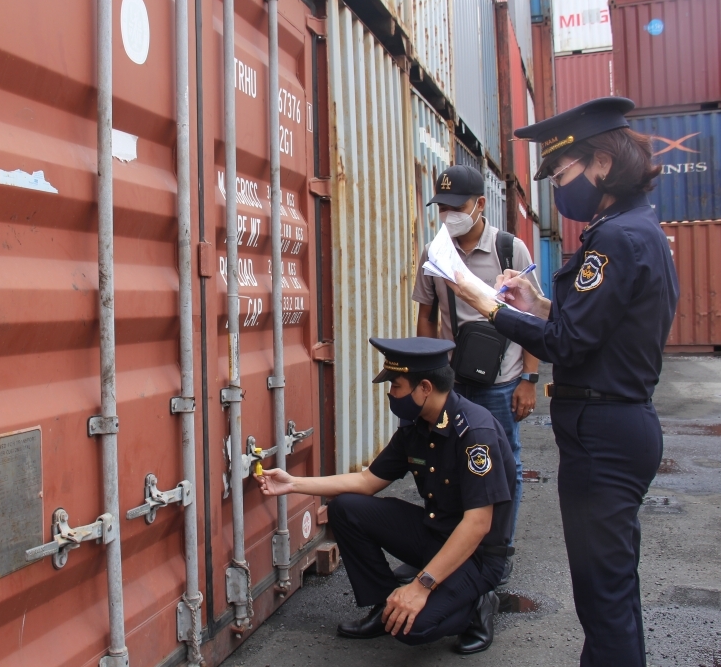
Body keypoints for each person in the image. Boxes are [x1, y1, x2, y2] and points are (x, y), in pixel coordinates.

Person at [446, 97, 678, 667]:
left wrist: (486, 305)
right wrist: (541, 304)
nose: (555, 187)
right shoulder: (634, 229)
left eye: (561, 172)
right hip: (613, 427)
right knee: (610, 593)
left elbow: (569, 346)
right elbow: (596, 328)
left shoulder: (616, 239)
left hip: (605, 434)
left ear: (601, 162)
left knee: (604, 599)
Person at [256, 337, 516, 654]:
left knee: (412, 629)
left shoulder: (474, 434)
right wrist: (293, 483)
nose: (391, 393)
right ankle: (384, 606)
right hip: (435, 535)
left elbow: (477, 525)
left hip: (476, 556)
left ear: (424, 388)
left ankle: (478, 605)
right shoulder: (417, 425)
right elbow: (367, 481)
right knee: (346, 509)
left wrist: (420, 586)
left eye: (396, 386)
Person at [413, 164, 542, 583]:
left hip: (502, 384)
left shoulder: (511, 249)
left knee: (504, 466)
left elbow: (534, 319)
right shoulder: (434, 252)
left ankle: (497, 553)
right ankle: (452, 548)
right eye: (443, 207)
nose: (449, 215)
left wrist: (529, 379)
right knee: (448, 462)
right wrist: (428, 370)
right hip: (454, 380)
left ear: (480, 205)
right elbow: (426, 315)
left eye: (458, 206)